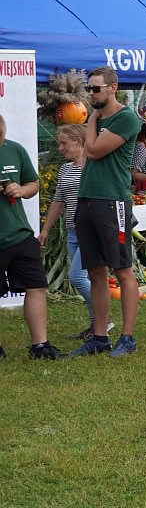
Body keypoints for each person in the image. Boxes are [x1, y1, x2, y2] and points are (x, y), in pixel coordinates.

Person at [72, 67, 141, 357]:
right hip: (87, 199)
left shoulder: (126, 118)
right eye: (89, 89)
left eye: (96, 89)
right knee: (95, 271)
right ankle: (100, 336)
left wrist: (91, 120)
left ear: (113, 87)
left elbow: (95, 150)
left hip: (113, 202)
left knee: (122, 269)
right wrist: (94, 121)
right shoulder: (99, 119)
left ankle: (127, 337)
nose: (91, 94)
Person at [0, 116, 66, 360]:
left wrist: (21, 189)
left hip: (20, 233)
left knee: (37, 286)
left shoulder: (15, 149)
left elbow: (33, 184)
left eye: (1, 137)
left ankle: (40, 346)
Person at [39, 125, 100, 343]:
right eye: (59, 143)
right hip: (73, 231)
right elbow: (58, 200)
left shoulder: (94, 166)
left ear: (80, 142)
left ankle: (103, 321)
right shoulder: (66, 169)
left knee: (77, 277)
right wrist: (45, 229)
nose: (60, 147)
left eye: (64, 143)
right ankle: (96, 325)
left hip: (91, 231)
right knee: (87, 277)